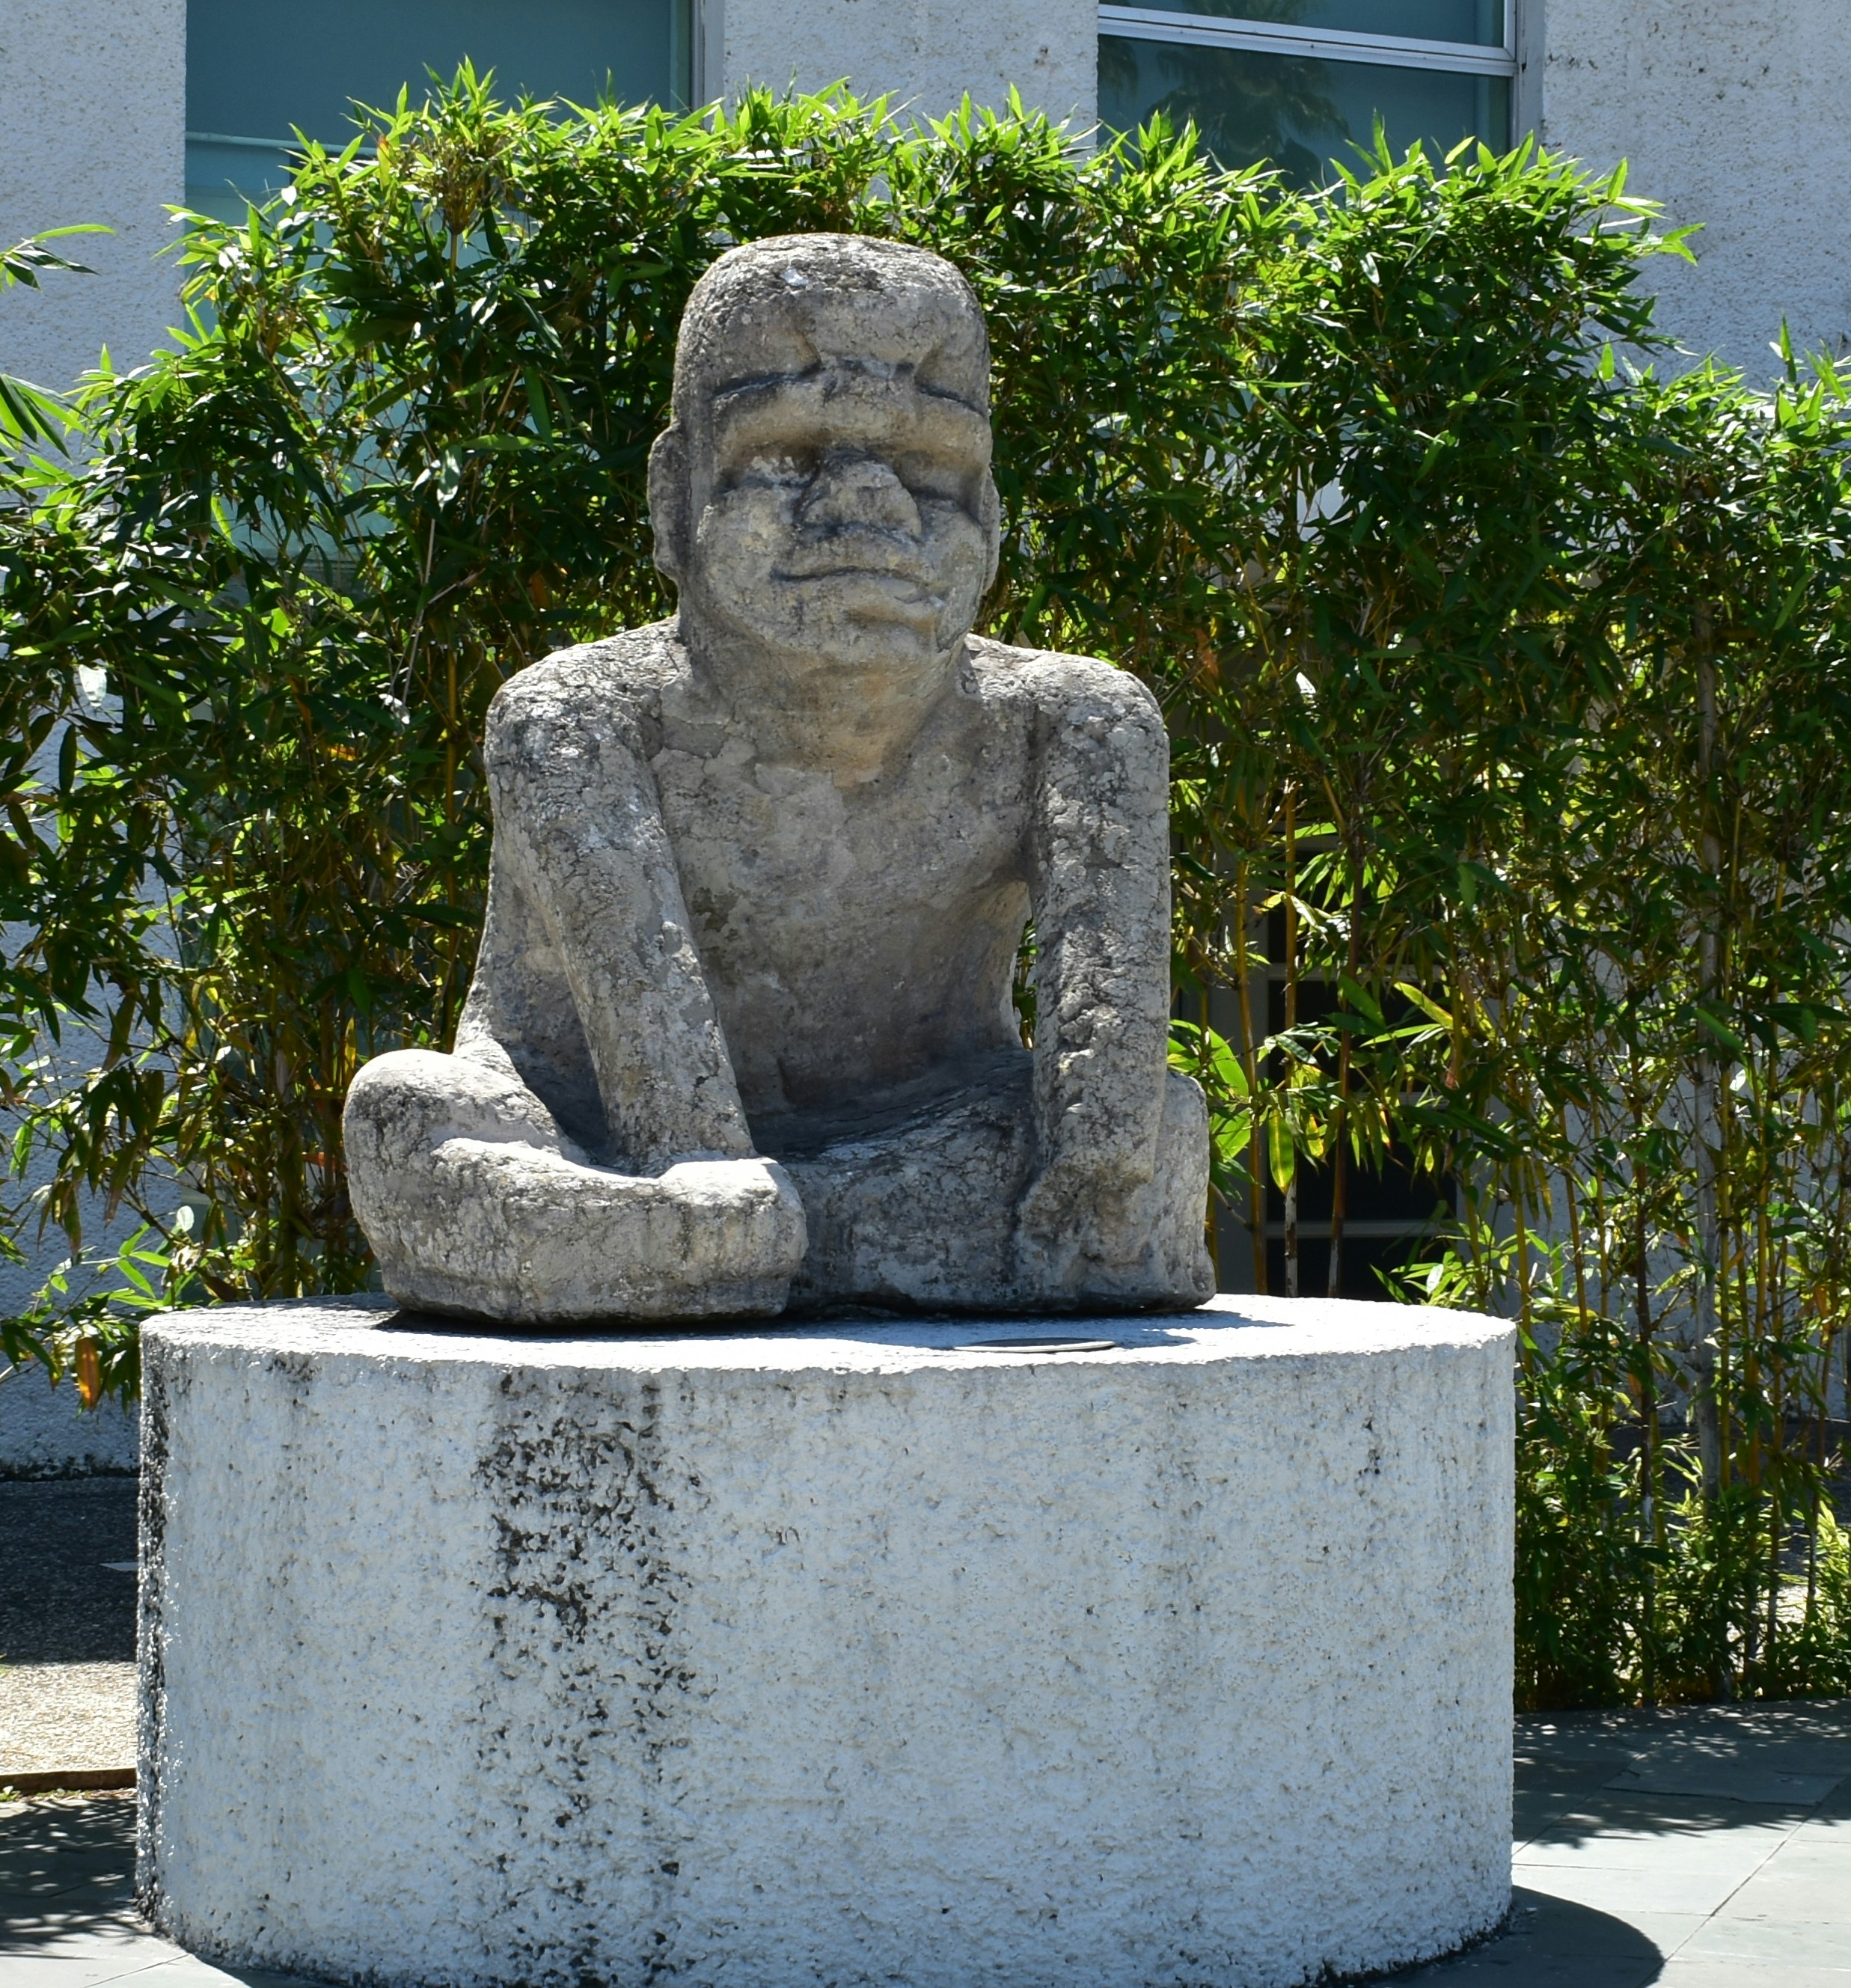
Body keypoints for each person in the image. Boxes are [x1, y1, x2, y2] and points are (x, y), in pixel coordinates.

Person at [343, 232, 1217, 1325]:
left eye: (931, 469)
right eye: (789, 455)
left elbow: (1106, 1157)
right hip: (595, 1130)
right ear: (676, 497)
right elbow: (681, 1132)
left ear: (992, 520)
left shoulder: (1073, 719)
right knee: (409, 1116)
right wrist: (722, 1205)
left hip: (938, 1126)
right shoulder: (574, 715)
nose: (870, 505)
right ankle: (829, 1238)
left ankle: (697, 1250)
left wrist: (1101, 1178)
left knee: (1163, 1128)